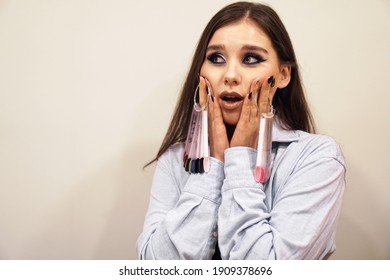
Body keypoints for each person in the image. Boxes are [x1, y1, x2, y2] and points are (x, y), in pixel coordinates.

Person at [136, 1, 346, 260]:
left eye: (251, 59)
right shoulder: (175, 159)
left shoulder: (317, 158)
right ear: (200, 72)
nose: (230, 75)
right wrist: (213, 162)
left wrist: (239, 157)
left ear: (282, 75)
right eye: (216, 58)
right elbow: (156, 267)